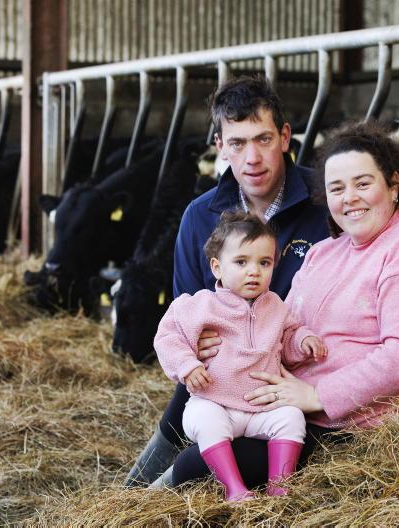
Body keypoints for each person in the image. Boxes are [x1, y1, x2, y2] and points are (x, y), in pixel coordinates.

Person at [160, 120, 399, 488]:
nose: (349, 198)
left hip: (369, 424)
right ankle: (132, 492)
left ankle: (142, 497)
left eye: (363, 184)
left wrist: (315, 395)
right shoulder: (325, 252)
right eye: (337, 188)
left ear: (393, 185)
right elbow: (289, 328)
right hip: (300, 404)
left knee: (196, 467)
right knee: (194, 398)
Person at [124, 76, 330, 486]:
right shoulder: (199, 217)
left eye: (263, 139)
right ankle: (132, 494)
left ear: (285, 137)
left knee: (204, 464)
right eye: (237, 143)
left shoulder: (325, 202)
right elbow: (185, 311)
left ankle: (156, 493)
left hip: (300, 380)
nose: (252, 157)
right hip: (224, 378)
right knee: (191, 395)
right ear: (220, 147)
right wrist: (194, 346)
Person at [154, 211, 327, 501]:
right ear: (217, 267)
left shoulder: (276, 307)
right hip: (215, 401)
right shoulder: (201, 306)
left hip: (261, 408)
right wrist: (187, 365)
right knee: (206, 421)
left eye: (264, 263)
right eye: (241, 262)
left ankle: (280, 486)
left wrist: (304, 341)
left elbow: (289, 337)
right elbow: (168, 337)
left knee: (291, 418)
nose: (254, 271)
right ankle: (234, 488)